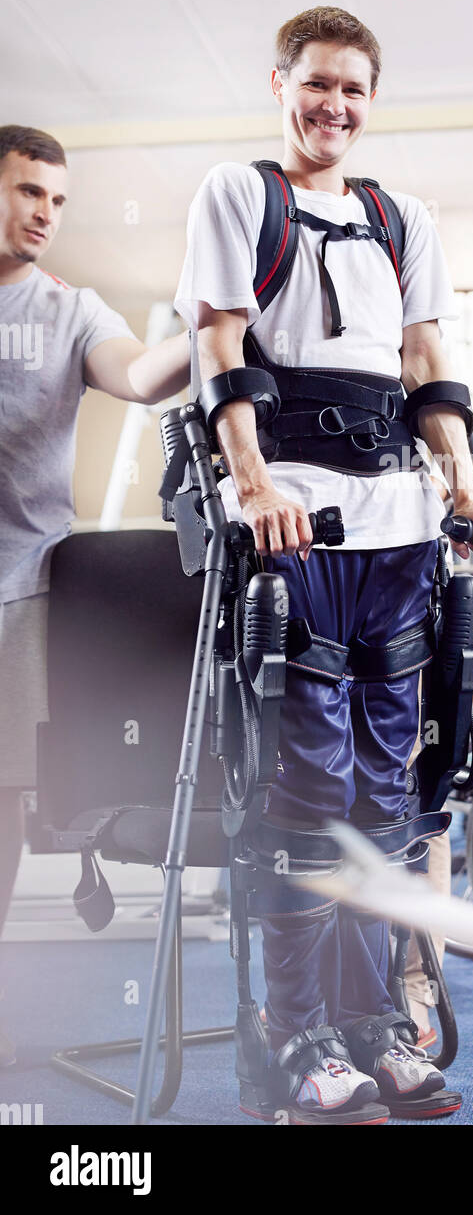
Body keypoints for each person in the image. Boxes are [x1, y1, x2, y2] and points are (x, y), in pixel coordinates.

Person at [174, 6, 473, 1124]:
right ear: (281, 84)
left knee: (389, 796)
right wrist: (252, 481)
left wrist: (463, 480)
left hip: (400, 527)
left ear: (371, 98)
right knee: (307, 785)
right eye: (317, 84)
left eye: (354, 89)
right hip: (296, 526)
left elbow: (426, 364)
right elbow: (221, 343)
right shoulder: (240, 194)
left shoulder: (400, 216)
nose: (335, 106)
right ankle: (298, 1028)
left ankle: (372, 1023)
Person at [0, 124, 190, 1064]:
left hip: (20, 590)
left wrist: (214, 327)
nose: (44, 212)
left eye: (58, 199)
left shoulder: (73, 313)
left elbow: (144, 377)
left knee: (3, 804)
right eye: (29, 190)